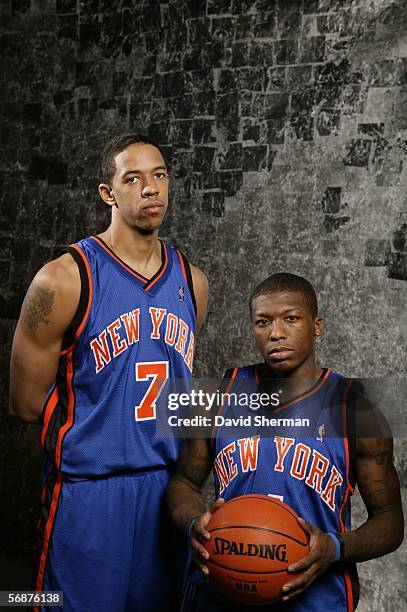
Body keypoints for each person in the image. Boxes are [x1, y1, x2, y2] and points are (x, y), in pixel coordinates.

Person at [9, 133, 208, 612]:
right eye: (133, 178)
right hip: (88, 493)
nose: (150, 189)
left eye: (159, 176)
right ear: (108, 193)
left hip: (165, 489)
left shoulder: (192, 282)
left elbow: (177, 394)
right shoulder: (63, 279)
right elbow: (27, 403)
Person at [168, 272, 404, 611]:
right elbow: (183, 483)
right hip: (220, 592)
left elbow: (390, 521)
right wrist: (194, 521)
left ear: (317, 325)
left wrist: (334, 548)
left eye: (291, 319)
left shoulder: (356, 410)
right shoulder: (220, 394)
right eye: (263, 322)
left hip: (315, 600)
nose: (276, 334)